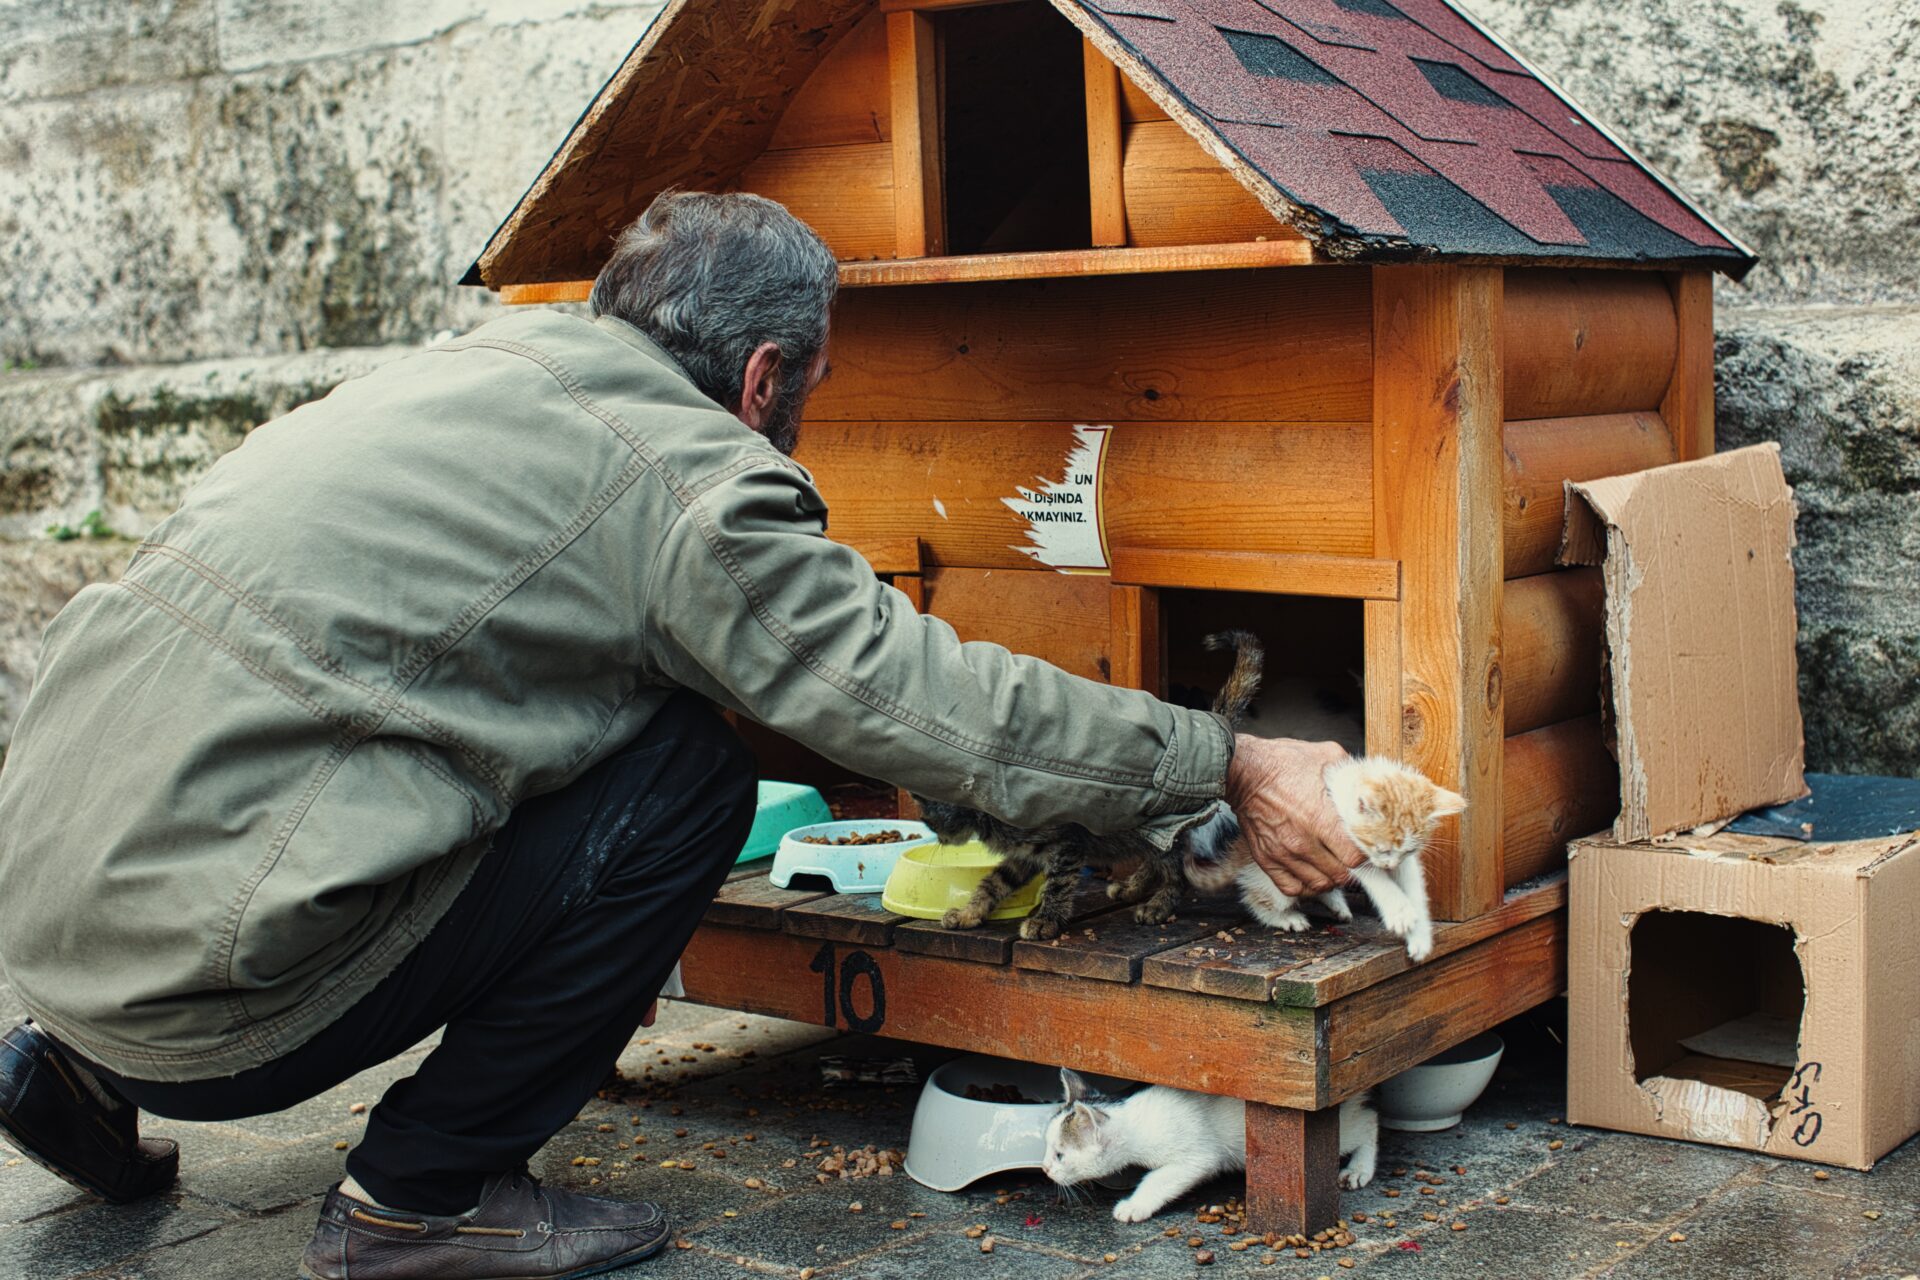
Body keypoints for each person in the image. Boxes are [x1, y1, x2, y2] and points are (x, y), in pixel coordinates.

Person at [0, 192, 1366, 1280]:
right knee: (689, 776)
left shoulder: (481, 369)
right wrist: (1228, 761)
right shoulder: (684, 471)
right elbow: (921, 699)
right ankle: (421, 1196)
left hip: (55, 920)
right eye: (816, 385)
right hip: (219, 1002)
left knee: (590, 718)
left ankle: (68, 1076)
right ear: (765, 377)